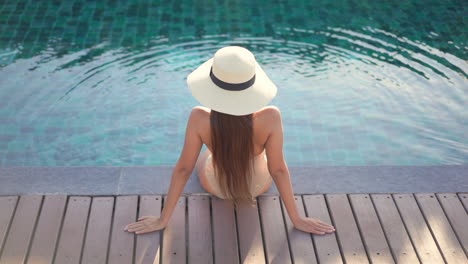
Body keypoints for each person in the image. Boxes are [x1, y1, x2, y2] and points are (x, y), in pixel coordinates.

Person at [124, 46, 335, 235]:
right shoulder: (271, 117)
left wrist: (163, 219)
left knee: (206, 154)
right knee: (260, 156)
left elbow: (183, 170)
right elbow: (278, 169)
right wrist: (296, 219)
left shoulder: (199, 118)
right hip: (257, 186)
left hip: (217, 186)